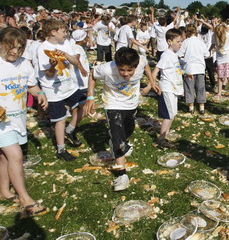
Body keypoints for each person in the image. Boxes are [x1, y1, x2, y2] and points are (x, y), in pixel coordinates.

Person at [84, 47, 158, 191]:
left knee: (128, 129)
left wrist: (152, 82)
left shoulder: (141, 61)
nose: (125, 74)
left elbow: (147, 66)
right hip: (113, 103)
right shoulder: (106, 69)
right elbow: (92, 74)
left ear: (135, 67)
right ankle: (121, 174)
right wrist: (90, 96)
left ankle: (125, 144)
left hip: (131, 103)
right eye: (122, 70)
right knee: (117, 136)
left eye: (129, 71)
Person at [0, 27, 48, 216]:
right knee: (16, 156)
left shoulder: (25, 64)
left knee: (4, 158)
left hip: (17, 119)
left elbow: (31, 86)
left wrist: (41, 94)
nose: (14, 52)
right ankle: (24, 198)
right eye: (10, 47)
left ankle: (4, 190)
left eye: (19, 48)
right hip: (1, 123)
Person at [37, 19, 86, 161]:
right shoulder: (42, 48)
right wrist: (53, 65)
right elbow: (48, 74)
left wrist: (64, 55)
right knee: (60, 119)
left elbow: (76, 62)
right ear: (53, 32)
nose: (66, 34)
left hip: (70, 86)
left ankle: (70, 131)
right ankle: (61, 149)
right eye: (63, 31)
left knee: (85, 105)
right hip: (53, 90)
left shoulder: (65, 43)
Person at [152, 29, 192, 148]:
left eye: (181, 41)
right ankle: (162, 138)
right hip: (167, 88)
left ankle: (166, 133)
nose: (180, 44)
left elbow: (176, 69)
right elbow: (156, 70)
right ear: (169, 41)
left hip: (174, 89)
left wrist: (186, 73)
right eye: (178, 41)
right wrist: (152, 85)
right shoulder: (166, 55)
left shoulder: (174, 55)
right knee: (168, 114)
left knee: (173, 113)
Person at [177, 25, 208, 114]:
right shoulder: (200, 41)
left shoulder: (186, 42)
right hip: (200, 67)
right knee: (200, 88)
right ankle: (201, 107)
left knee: (189, 88)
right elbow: (206, 54)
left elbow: (179, 54)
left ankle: (191, 107)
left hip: (189, 68)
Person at [213, 24, 229, 98]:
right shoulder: (214, 36)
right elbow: (213, 44)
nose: (219, 33)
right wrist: (210, 50)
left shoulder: (228, 35)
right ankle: (219, 92)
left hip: (228, 57)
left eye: (220, 32)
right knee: (220, 75)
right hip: (220, 57)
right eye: (217, 32)